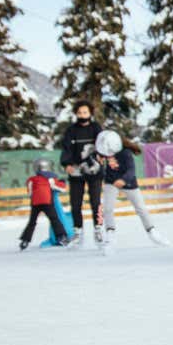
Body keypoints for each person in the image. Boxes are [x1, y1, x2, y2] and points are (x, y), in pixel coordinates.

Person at [92, 130, 168, 256]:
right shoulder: (102, 153)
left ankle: (152, 232)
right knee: (108, 209)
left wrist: (123, 180)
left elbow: (131, 170)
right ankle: (110, 235)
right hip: (111, 183)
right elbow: (99, 170)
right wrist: (99, 165)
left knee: (141, 208)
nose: (107, 153)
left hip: (129, 183)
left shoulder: (125, 153)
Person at [59, 101, 103, 242]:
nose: (82, 115)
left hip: (94, 170)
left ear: (90, 113)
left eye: (85, 112)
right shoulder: (71, 130)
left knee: (96, 202)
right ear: (76, 114)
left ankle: (99, 229)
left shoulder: (96, 128)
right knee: (75, 203)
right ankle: (78, 232)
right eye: (79, 113)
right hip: (76, 171)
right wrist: (67, 164)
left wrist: (101, 157)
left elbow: (102, 145)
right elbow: (66, 148)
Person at [19, 159, 68, 251]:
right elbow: (59, 188)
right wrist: (63, 183)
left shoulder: (31, 179)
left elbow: (30, 193)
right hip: (47, 202)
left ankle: (25, 240)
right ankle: (62, 237)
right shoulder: (50, 178)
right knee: (54, 219)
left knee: (32, 222)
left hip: (35, 203)